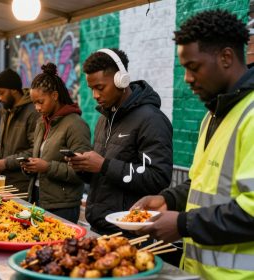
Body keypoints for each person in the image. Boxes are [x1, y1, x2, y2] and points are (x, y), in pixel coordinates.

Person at [133, 10, 254, 279]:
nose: (187, 78)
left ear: (225, 57)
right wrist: (167, 199)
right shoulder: (212, 115)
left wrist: (182, 223)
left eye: (194, 67)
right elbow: (203, 184)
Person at [68, 48, 173, 235]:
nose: (95, 95)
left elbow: (158, 178)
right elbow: (103, 173)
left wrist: (104, 165)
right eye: (91, 89)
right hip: (100, 226)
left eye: (100, 87)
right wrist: (83, 167)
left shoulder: (152, 120)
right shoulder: (105, 118)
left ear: (121, 80)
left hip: (129, 232)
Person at [21, 63, 91, 223]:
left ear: (54, 95)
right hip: (38, 197)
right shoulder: (42, 122)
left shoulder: (76, 125)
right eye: (34, 103)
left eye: (40, 102)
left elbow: (82, 172)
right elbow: (39, 158)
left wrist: (46, 167)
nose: (37, 108)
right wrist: (29, 167)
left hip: (63, 206)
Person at [0, 69, 40, 193]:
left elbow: (36, 150)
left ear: (14, 90)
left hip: (23, 184)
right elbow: (0, 142)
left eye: (1, 93)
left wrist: (6, 163)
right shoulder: (6, 110)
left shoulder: (32, 112)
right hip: (5, 181)